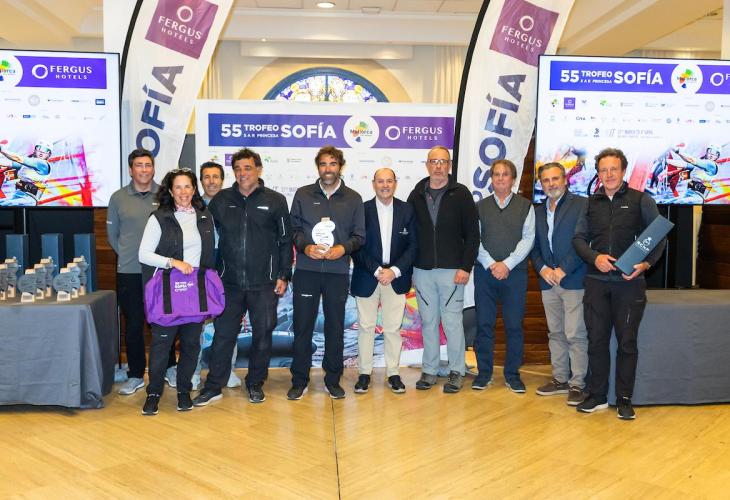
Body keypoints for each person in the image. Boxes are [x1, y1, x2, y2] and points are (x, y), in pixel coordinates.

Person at [193, 148, 292, 405]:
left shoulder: (276, 200)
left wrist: (284, 274)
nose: (242, 173)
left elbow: (285, 240)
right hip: (229, 283)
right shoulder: (221, 200)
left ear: (258, 169)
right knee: (223, 336)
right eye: (237, 169)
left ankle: (255, 383)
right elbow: (208, 239)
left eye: (247, 168)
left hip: (264, 283)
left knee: (263, 335)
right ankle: (214, 385)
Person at [573, 147, 666, 420]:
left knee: (627, 343)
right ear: (598, 174)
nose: (609, 174)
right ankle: (597, 396)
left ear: (623, 171)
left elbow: (658, 237)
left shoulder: (641, 200)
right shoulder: (590, 203)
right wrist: (595, 257)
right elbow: (578, 239)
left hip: (629, 285)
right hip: (596, 282)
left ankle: (624, 398)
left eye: (614, 169)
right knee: (596, 341)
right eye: (603, 170)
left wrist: (645, 265)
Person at [287, 145, 365, 400]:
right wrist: (305, 247)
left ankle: (333, 380)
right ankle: (299, 380)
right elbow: (293, 230)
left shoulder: (353, 198)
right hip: (306, 270)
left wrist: (343, 249)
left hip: (337, 271)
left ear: (340, 166)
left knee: (334, 328)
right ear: (318, 167)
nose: (328, 169)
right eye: (323, 164)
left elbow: (359, 236)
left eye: (332, 164)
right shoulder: (303, 194)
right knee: (302, 327)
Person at [138, 168, 215, 415]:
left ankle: (183, 391)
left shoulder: (204, 216)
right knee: (162, 346)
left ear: (194, 189)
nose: (183, 192)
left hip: (194, 293)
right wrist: (173, 262)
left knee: (191, 345)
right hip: (168, 294)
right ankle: (153, 393)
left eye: (188, 186)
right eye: (178, 187)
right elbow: (143, 254)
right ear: (170, 191)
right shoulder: (159, 217)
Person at [407, 146, 479, 393]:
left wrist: (465, 267)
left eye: (443, 161)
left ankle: (457, 371)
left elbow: (473, 234)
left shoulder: (461, 194)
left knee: (452, 323)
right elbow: (410, 235)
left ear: (449, 165)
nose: (438, 166)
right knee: (428, 322)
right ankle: (430, 370)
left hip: (453, 271)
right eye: (434, 161)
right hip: (423, 271)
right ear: (427, 164)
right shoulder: (416, 194)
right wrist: (410, 269)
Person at [108, 149, 176, 395]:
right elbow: (113, 236)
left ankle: (169, 368)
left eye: (148, 165)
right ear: (131, 170)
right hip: (129, 271)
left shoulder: (165, 195)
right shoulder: (118, 198)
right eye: (139, 165)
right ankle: (136, 374)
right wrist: (132, 256)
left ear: (153, 169)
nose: (144, 169)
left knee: (165, 320)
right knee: (134, 324)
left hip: (161, 271)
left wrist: (156, 260)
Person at [351, 168, 417, 394]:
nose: (385, 185)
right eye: (380, 181)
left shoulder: (407, 210)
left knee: (393, 329)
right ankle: (364, 373)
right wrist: (378, 270)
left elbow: (414, 246)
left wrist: (394, 271)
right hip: (367, 275)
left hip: (396, 278)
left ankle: (393, 373)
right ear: (373, 184)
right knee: (366, 327)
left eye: (389, 181)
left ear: (395, 183)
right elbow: (356, 245)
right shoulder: (361, 210)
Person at [472, 159, 535, 393]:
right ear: (491, 179)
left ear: (513, 179)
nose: (500, 178)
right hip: (485, 274)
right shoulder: (479, 207)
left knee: (514, 326)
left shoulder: (525, 206)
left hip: (515, 274)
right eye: (496, 174)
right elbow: (475, 239)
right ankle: (484, 374)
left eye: (505, 174)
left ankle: (512, 375)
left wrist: (506, 264)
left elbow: (528, 239)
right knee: (484, 325)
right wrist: (491, 264)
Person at [530, 162, 588, 405]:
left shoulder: (581, 205)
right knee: (555, 333)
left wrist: (563, 269)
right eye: (546, 180)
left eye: (555, 179)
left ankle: (577, 384)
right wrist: (543, 269)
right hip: (548, 281)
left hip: (573, 279)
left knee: (575, 333)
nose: (551, 184)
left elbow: (584, 241)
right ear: (541, 184)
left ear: (565, 180)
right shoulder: (537, 211)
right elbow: (533, 246)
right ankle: (560, 379)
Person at [191, 160, 242, 390]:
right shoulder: (191, 205)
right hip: (198, 271)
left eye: (216, 177)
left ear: (222, 180)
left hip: (227, 271)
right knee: (195, 327)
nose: (211, 181)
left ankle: (227, 371)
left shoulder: (233, 203)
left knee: (227, 325)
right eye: (206, 177)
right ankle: (192, 373)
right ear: (201, 181)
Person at [0, 139, 53, 206]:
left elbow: (18, 158)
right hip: (17, 195)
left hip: (28, 199)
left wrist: (2, 149)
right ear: (35, 150)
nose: (42, 152)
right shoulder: (28, 164)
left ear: (49, 154)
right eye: (39, 148)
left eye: (46, 151)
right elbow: (7, 163)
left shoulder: (43, 164)